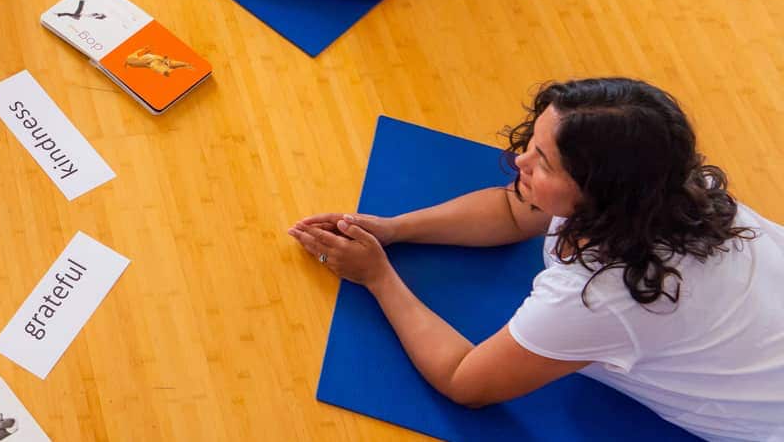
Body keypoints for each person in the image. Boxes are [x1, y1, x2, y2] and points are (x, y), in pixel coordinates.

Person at [290, 79, 784, 440]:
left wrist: (377, 275)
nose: (521, 161)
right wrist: (395, 229)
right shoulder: (677, 189)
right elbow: (512, 209)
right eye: (535, 143)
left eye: (543, 161)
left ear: (599, 193)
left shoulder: (601, 297)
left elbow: (466, 380)